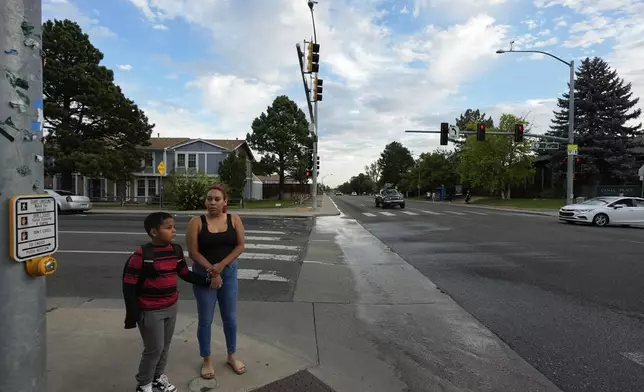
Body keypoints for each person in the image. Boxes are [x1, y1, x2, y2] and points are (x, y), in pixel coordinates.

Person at [122, 212, 221, 392]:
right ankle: (144, 384)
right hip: (150, 310)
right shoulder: (142, 255)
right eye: (168, 228)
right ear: (153, 232)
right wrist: (132, 313)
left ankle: (158, 377)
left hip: (171, 307)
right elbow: (128, 286)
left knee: (165, 347)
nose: (174, 230)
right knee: (154, 349)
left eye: (173, 227)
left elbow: (185, 274)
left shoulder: (175, 251)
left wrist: (207, 281)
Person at [186, 184, 246, 380]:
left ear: (225, 202)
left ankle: (231, 355)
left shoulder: (234, 219)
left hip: (228, 272)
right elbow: (193, 252)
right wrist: (212, 272)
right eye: (209, 199)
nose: (212, 202)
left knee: (230, 317)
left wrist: (221, 266)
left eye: (217, 199)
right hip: (204, 275)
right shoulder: (196, 222)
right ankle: (207, 359)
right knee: (205, 319)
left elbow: (240, 246)